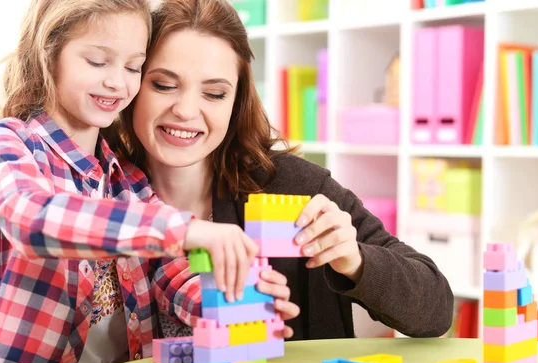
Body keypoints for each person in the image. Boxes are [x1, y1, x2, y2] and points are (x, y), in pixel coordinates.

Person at [114, 0, 455, 341]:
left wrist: (355, 260)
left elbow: (435, 310)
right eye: (163, 85)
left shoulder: (293, 187)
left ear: (236, 102)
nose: (186, 110)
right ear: (132, 85)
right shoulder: (99, 193)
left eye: (215, 93)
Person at [0, 0, 258, 363]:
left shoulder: (129, 182)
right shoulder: (11, 145)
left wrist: (237, 305)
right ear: (49, 54)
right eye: (98, 61)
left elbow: (172, 274)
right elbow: (30, 220)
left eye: (133, 67)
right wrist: (188, 229)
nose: (117, 83)